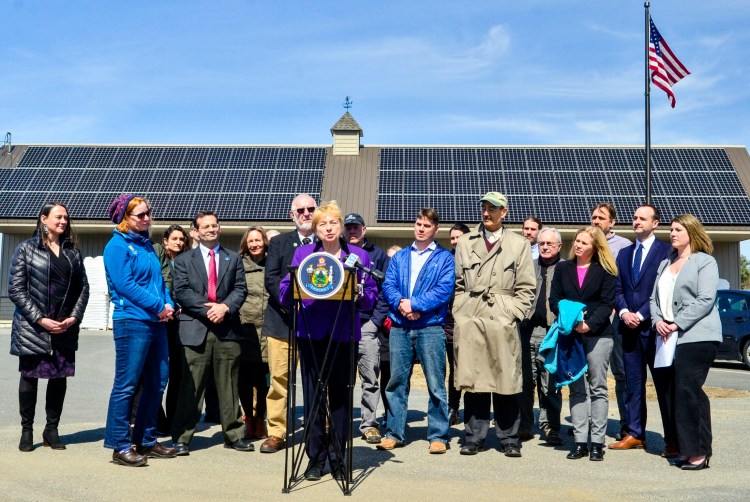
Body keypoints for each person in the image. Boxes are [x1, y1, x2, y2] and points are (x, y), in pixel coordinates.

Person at [279, 201, 378, 480]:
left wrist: (359, 292)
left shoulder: (358, 256)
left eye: (333, 222)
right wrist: (294, 287)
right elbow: (285, 290)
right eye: (322, 224)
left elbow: (371, 295)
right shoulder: (303, 253)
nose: (329, 228)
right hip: (311, 333)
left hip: (343, 333)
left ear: (341, 226)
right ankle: (315, 458)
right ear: (316, 228)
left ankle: (337, 457)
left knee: (341, 398)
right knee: (313, 399)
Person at [453, 193, 536, 457]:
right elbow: (458, 284)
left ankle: (509, 437)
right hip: (472, 317)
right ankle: (473, 437)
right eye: (484, 208)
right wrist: (461, 311)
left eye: (493, 209)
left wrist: (511, 313)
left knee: (505, 379)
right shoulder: (465, 242)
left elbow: (527, 288)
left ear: (505, 212)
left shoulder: (518, 243)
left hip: (502, 319)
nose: (486, 213)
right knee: (473, 379)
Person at [9, 202, 89, 452]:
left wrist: (74, 317)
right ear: (44, 219)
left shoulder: (73, 251)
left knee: (59, 378)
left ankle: (51, 429)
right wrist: (40, 319)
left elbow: (83, 288)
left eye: (66, 217)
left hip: (64, 326)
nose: (64, 221)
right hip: (34, 327)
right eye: (58, 217)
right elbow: (16, 289)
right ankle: (27, 429)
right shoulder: (25, 249)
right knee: (30, 377)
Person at [170, 211, 252, 455]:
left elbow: (240, 289)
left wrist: (225, 307)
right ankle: (182, 438)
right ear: (195, 231)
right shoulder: (184, 260)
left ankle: (234, 435)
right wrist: (209, 310)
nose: (210, 229)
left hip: (227, 329)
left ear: (220, 228)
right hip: (196, 329)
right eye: (205, 226)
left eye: (214, 225)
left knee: (229, 384)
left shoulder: (233, 259)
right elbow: (181, 291)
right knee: (191, 387)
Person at [103, 194, 176, 466]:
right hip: (132, 321)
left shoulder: (147, 246)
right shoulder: (117, 246)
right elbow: (125, 286)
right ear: (125, 218)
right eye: (140, 215)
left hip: (156, 321)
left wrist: (168, 303)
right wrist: (159, 306)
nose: (147, 218)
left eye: (148, 213)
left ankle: (146, 439)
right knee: (127, 384)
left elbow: (159, 281)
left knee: (158, 381)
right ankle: (120, 445)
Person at [379, 208, 455, 454]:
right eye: (418, 224)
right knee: (396, 382)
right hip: (400, 326)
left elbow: (444, 290)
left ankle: (438, 435)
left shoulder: (444, 258)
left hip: (430, 327)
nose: (421, 228)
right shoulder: (400, 257)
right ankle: (394, 432)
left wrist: (417, 305)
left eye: (427, 225)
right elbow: (388, 284)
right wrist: (403, 304)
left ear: (435, 229)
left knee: (435, 383)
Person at [650, 214, 721, 471]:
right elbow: (653, 300)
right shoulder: (665, 263)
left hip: (698, 335)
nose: (672, 233)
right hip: (668, 336)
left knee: (688, 389)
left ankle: (699, 452)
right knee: (676, 392)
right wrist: (658, 321)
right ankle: (685, 447)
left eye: (678, 229)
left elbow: (705, 299)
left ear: (691, 232)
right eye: (671, 229)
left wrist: (676, 323)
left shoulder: (705, 262)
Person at [549, 226, 617, 462]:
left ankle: (597, 442)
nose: (577, 245)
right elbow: (554, 300)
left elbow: (608, 303)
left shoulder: (605, 270)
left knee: (598, 388)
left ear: (595, 247)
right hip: (570, 335)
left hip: (598, 335)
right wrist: (573, 319)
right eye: (577, 241)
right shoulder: (562, 268)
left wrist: (588, 324)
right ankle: (580, 442)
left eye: (584, 243)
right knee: (576, 389)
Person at [609, 206, 673, 454]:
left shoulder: (666, 251)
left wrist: (642, 314)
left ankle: (672, 439)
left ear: (655, 223)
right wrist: (624, 312)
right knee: (633, 384)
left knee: (663, 386)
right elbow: (617, 289)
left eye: (642, 218)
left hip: (656, 329)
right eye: (634, 218)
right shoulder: (624, 254)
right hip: (628, 331)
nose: (636, 221)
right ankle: (635, 433)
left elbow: (663, 289)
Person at [261, 193, 317, 454]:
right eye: (301, 210)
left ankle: (320, 427)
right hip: (282, 323)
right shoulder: (279, 243)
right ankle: (277, 432)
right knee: (280, 380)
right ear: (292, 215)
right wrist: (290, 303)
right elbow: (271, 278)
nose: (306, 213)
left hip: (317, 324)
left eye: (311, 209)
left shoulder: (328, 243)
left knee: (316, 380)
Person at [343, 213, 390, 444]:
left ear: (364, 230)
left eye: (356, 228)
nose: (352, 232)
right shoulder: (338, 253)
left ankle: (369, 424)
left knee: (370, 378)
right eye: (348, 228)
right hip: (340, 324)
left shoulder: (377, 255)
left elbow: (385, 290)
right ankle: (338, 422)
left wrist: (376, 321)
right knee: (341, 379)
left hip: (366, 324)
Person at [519, 226, 564, 445]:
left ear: (559, 247)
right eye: (541, 244)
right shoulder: (528, 267)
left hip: (552, 333)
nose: (544, 247)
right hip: (527, 331)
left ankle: (551, 426)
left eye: (549, 244)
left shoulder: (565, 270)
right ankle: (525, 426)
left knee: (550, 383)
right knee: (526, 382)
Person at [591, 202, 631, 440]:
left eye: (601, 218)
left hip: (616, 320)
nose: (596, 221)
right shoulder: (585, 242)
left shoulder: (624, 246)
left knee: (621, 374)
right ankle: (589, 422)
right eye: (594, 217)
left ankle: (627, 424)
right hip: (590, 320)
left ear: (612, 222)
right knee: (591, 374)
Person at [155, 224, 189, 435]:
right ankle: (158, 419)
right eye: (174, 238)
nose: (178, 242)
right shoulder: (160, 259)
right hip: (163, 320)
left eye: (181, 239)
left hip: (182, 324)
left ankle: (174, 417)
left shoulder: (187, 261)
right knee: (159, 373)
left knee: (178, 373)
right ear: (165, 241)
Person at [238, 226, 271, 440]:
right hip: (245, 326)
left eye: (258, 240)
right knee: (245, 378)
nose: (255, 244)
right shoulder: (239, 265)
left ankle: (261, 419)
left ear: (265, 242)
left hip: (268, 327)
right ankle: (248, 419)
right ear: (245, 244)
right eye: (251, 241)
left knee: (264, 378)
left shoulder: (273, 263)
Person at [444, 222, 470, 426]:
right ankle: (451, 407)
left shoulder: (474, 259)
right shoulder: (447, 259)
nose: (455, 241)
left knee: (464, 367)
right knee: (449, 368)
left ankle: (464, 408)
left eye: (458, 237)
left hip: (468, 321)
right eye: (452, 238)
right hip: (446, 322)